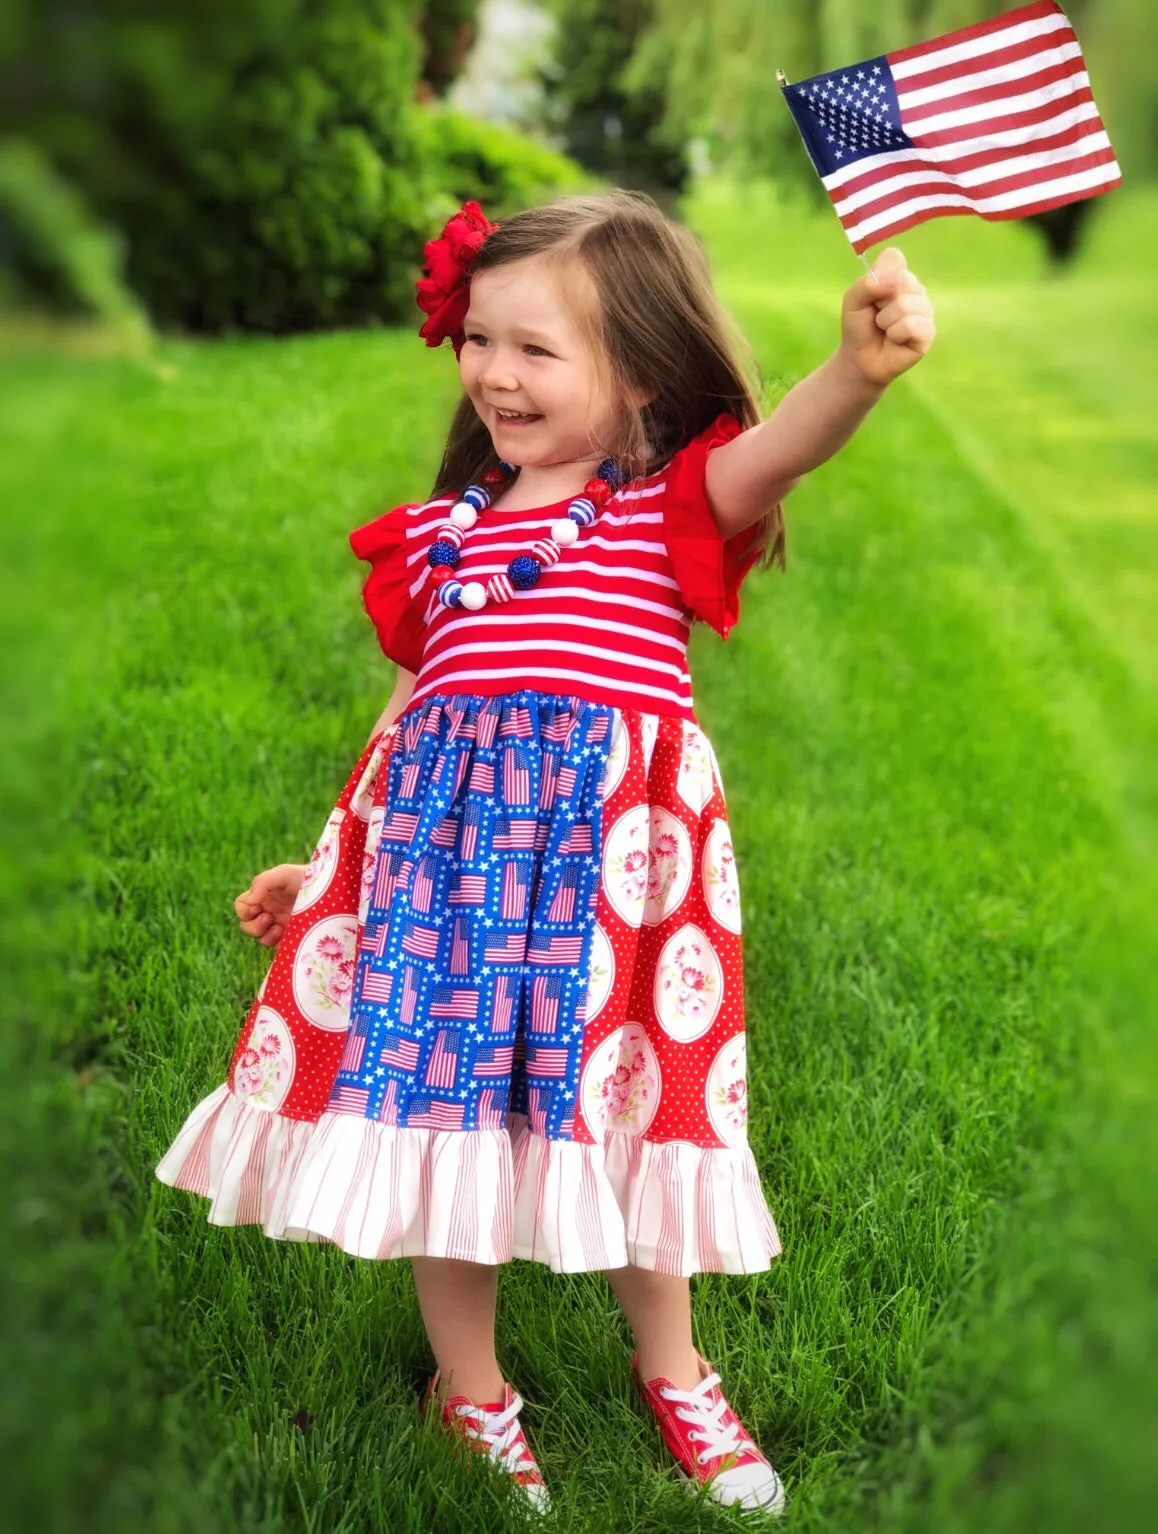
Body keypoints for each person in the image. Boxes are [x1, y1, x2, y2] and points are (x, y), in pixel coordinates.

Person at [156, 192, 935, 1518]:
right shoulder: (447, 538)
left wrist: (854, 372)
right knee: (444, 1116)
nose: (491, 375)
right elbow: (409, 715)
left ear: (637, 369)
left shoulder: (660, 511)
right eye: (477, 340)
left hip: (615, 899)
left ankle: (673, 1366)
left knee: (630, 1110)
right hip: (449, 887)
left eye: (532, 349)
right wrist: (329, 860)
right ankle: (468, 1387)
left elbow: (782, 451)